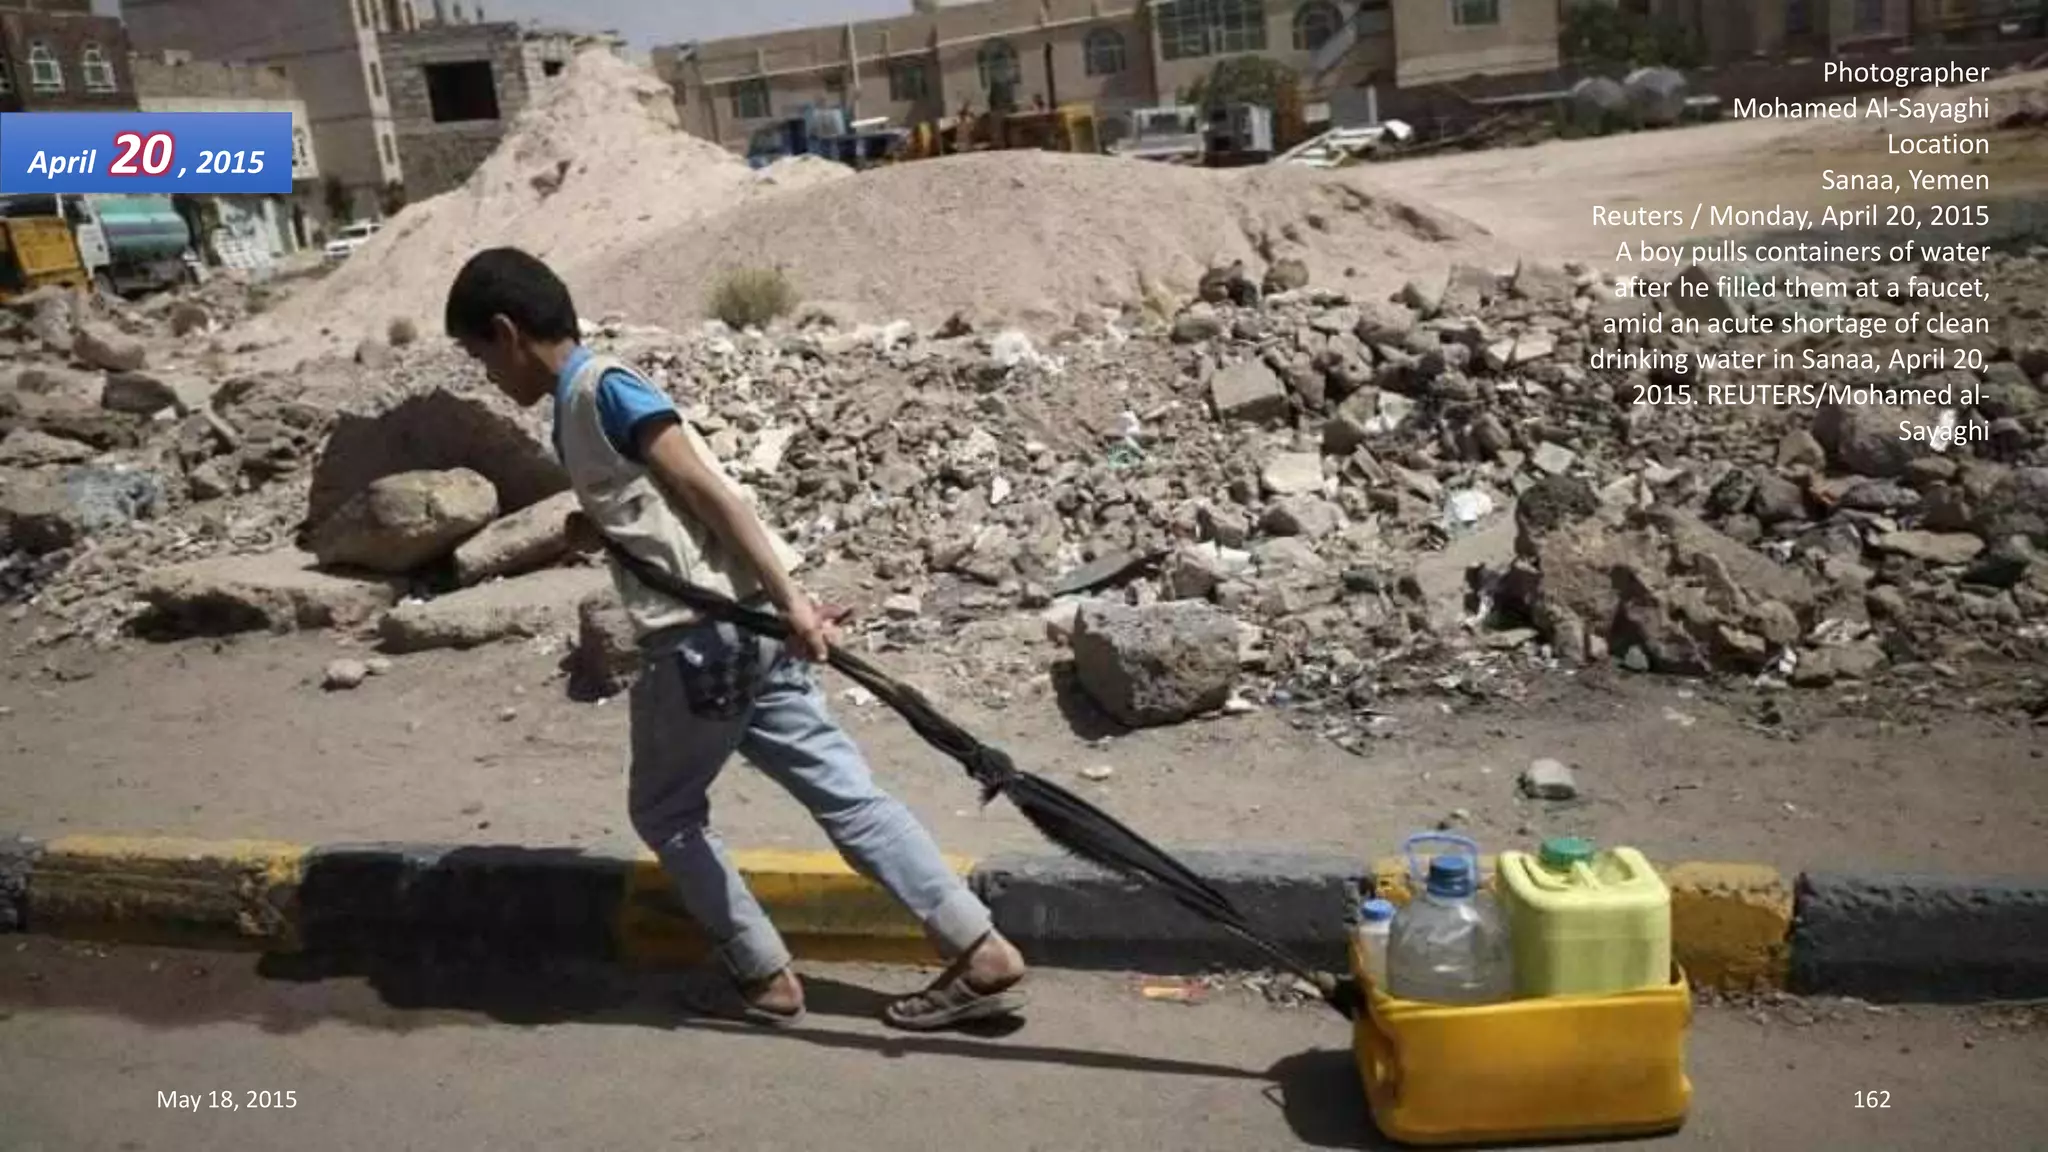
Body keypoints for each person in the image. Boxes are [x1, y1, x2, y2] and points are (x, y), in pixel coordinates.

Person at [442, 247, 1028, 1031]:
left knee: (666, 813)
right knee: (848, 797)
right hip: (745, 632)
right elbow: (662, 505)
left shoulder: (599, 389)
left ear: (508, 332)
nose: (485, 374)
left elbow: (707, 491)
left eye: (479, 355)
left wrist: (795, 603)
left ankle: (761, 975)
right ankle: (978, 949)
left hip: (701, 643)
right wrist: (604, 529)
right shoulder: (589, 398)